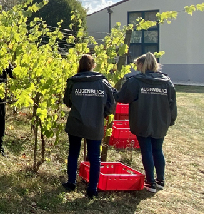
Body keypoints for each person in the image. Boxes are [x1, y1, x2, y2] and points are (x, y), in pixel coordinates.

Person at [116, 52, 177, 193]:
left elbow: (123, 97)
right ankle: (160, 180)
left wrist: (112, 92)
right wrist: (171, 120)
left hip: (142, 120)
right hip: (160, 122)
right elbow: (172, 104)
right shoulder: (167, 82)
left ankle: (150, 182)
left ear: (142, 65)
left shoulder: (136, 81)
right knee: (157, 150)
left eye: (137, 65)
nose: (136, 68)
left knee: (147, 151)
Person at [62, 54, 116, 198]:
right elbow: (112, 104)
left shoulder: (73, 81)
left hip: (76, 123)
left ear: (79, 65)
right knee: (94, 157)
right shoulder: (103, 82)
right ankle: (92, 189)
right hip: (95, 124)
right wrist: (102, 113)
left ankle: (71, 182)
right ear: (93, 65)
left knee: (73, 153)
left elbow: (67, 101)